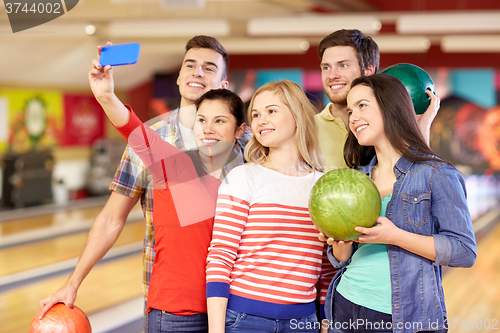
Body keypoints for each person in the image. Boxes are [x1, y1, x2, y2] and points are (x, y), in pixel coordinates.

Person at [38, 36, 249, 329]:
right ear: (178, 77)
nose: (197, 72)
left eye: (209, 68)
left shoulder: (248, 145)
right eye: (190, 65)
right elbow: (112, 218)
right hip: (172, 304)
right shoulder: (153, 139)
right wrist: (73, 283)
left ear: (224, 85)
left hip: (238, 301)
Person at [321, 74, 477, 333]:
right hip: (345, 306)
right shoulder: (357, 178)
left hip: (403, 317)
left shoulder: (435, 173)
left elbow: (464, 251)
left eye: (362, 105)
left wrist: (394, 236)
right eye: (350, 111)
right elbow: (343, 259)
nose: (353, 118)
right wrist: (341, 243)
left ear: (390, 106)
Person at [206, 80, 336, 333]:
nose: (261, 120)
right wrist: (215, 329)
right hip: (245, 319)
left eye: (271, 111)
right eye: (256, 114)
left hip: (304, 321)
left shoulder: (323, 186)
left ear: (297, 115)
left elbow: (326, 266)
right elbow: (221, 255)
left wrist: (325, 323)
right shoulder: (243, 177)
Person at [316, 29, 440, 171]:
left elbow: (420, 179)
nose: (332, 75)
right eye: (326, 67)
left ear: (368, 70)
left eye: (343, 65)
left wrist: (422, 129)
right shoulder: (308, 129)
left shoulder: (389, 127)